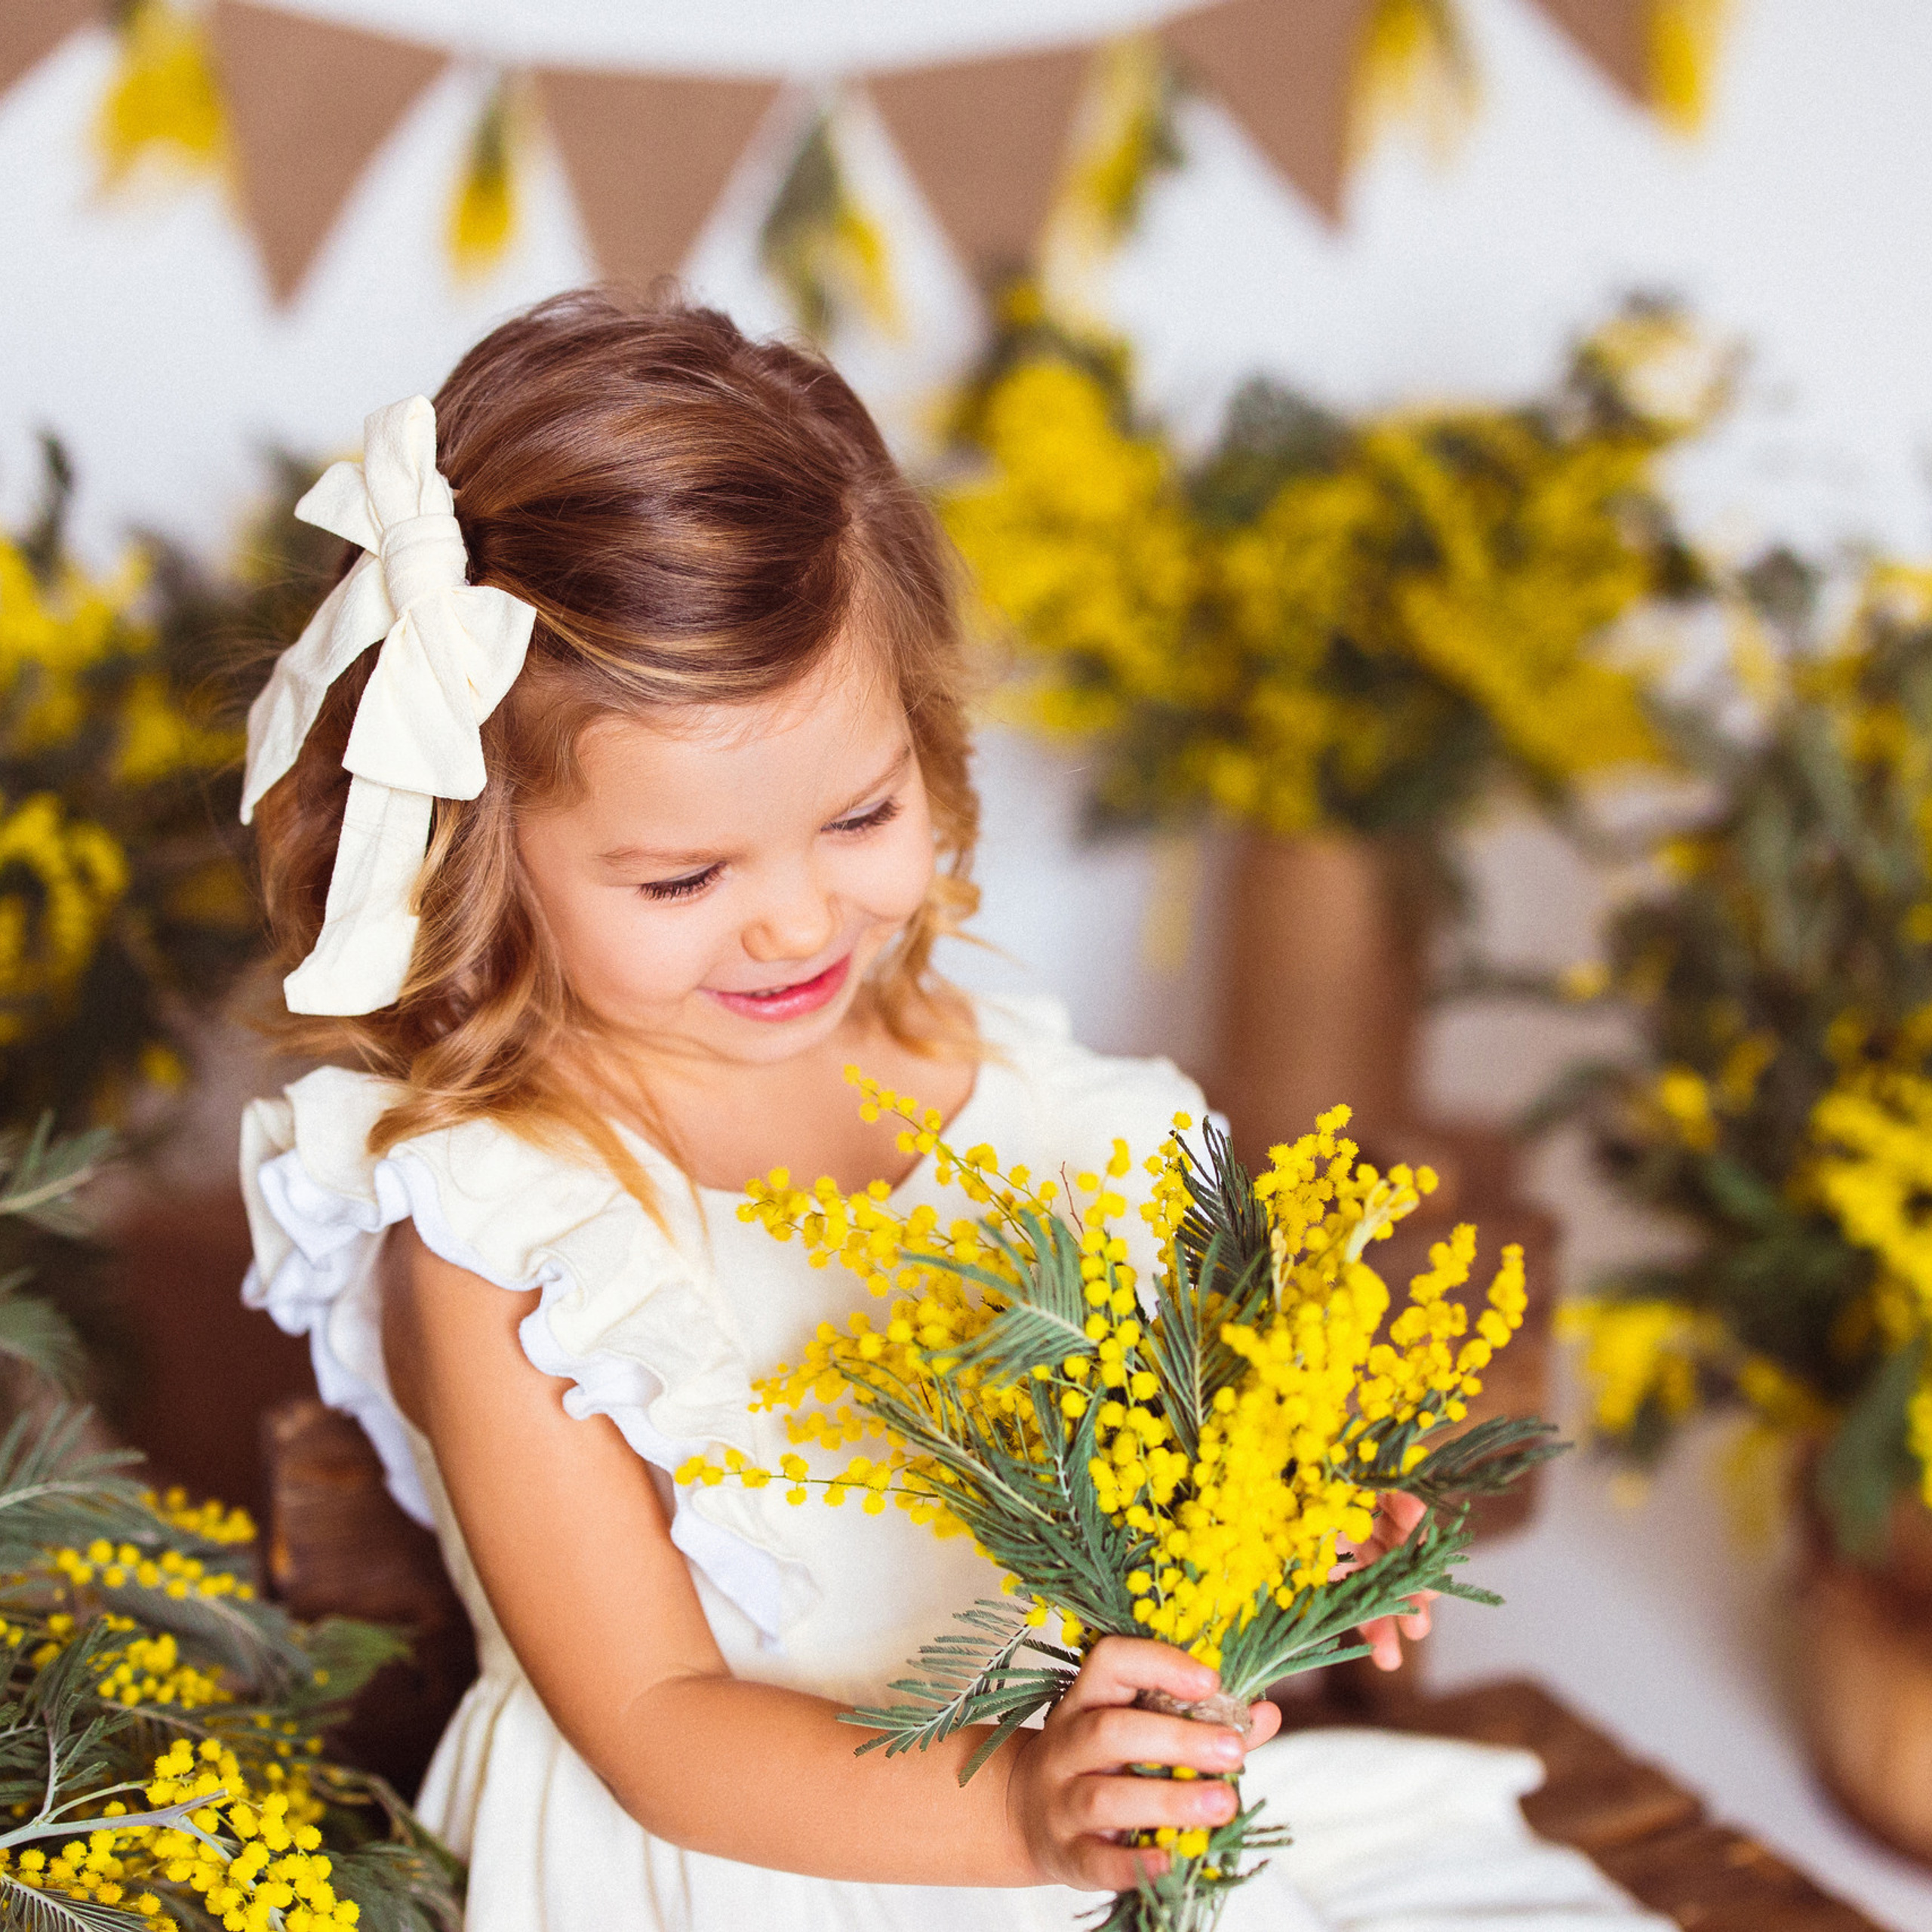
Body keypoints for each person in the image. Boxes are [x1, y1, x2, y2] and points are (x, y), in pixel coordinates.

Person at [240, 291, 1664, 1930]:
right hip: (740, 1880)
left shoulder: (1061, 1111)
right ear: (476, 864)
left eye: (859, 812)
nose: (790, 921)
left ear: (926, 741)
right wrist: (1025, 1827)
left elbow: (1158, 1514)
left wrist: (1288, 1534)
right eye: (683, 873)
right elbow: (649, 1724)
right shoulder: (516, 1228)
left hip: (1100, 1848)